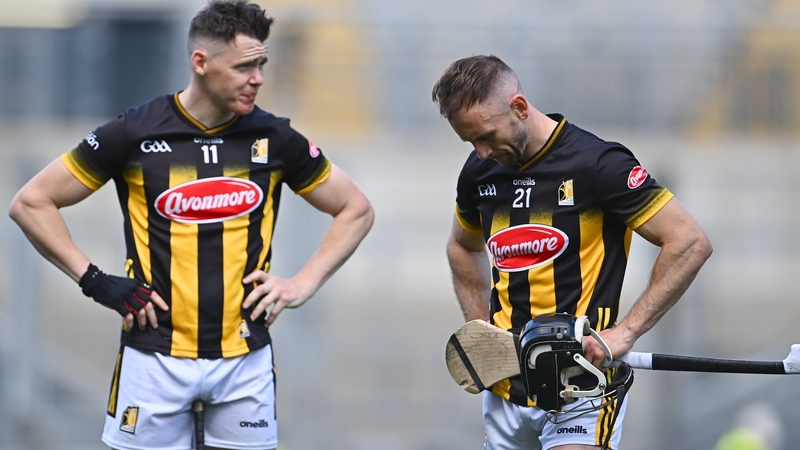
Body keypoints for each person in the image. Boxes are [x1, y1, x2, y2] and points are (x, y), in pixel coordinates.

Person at [8, 1, 373, 449]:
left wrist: (302, 283)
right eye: (244, 67)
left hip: (244, 358)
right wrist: (96, 281)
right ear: (201, 62)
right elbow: (31, 202)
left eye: (261, 64)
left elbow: (355, 208)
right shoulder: (135, 132)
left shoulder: (274, 138)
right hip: (153, 357)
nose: (257, 78)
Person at [432, 54, 712, 450]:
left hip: (581, 387)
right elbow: (461, 246)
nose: (480, 152)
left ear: (520, 107)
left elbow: (688, 241)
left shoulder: (599, 165)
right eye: (470, 141)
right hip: (506, 395)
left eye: (487, 136)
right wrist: (483, 334)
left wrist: (625, 332)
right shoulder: (480, 173)